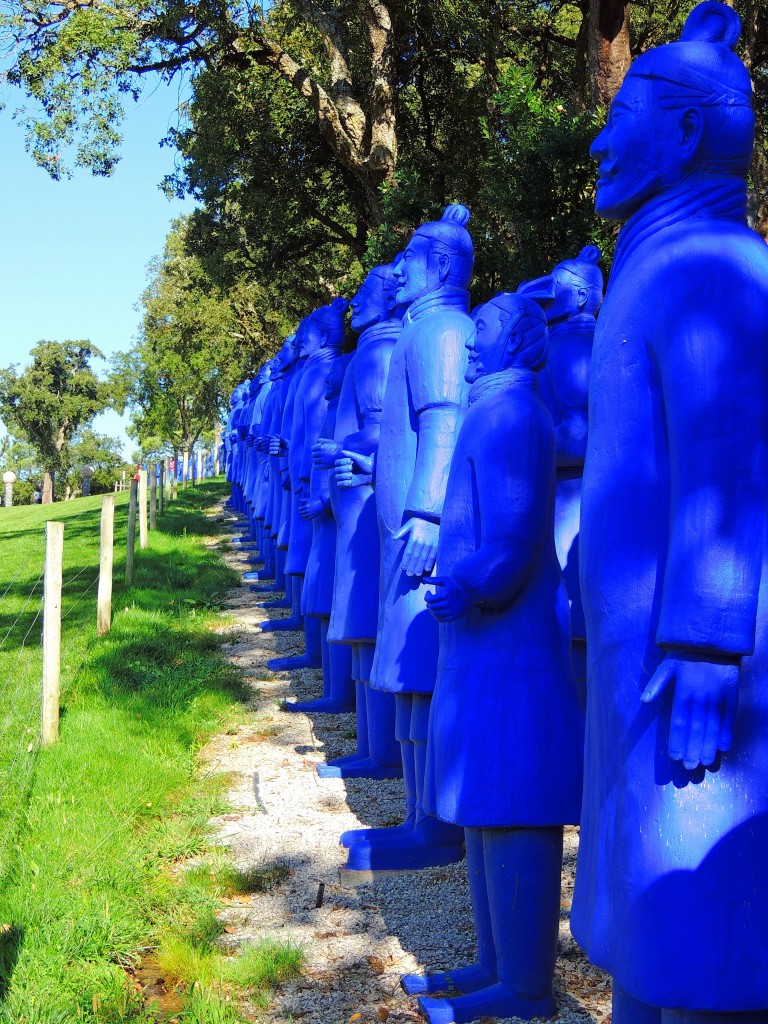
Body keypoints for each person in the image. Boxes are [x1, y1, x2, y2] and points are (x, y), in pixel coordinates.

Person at [572, 4, 768, 1021]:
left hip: (690, 667)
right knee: (646, 913)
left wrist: (707, 639)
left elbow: (730, 463)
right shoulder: (653, 270)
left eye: (624, 116)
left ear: (688, 133)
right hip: (639, 656)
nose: (599, 140)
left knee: (699, 910)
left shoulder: (713, 270)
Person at [403, 291, 583, 1024]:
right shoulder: (495, 406)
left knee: (512, 805)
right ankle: (494, 965)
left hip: (512, 655)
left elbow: (512, 538)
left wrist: (469, 588)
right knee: (483, 804)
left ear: (517, 341)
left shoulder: (512, 413)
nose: (469, 343)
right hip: (482, 649)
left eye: (482, 331)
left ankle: (527, 989)